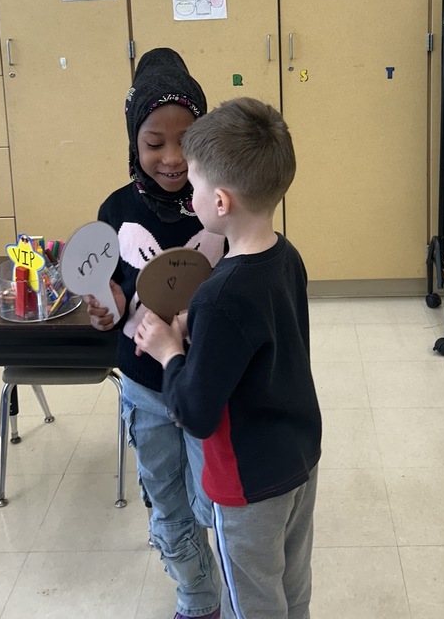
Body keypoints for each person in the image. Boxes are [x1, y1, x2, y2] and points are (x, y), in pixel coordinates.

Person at [134, 97, 322, 619]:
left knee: (254, 603)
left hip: (247, 483)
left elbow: (195, 413)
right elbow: (260, 344)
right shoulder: (285, 256)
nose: (189, 194)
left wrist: (169, 352)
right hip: (298, 459)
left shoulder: (218, 295)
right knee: (292, 588)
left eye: (194, 185)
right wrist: (199, 331)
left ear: (219, 202)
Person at [84, 48, 223, 619]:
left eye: (186, 141)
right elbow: (112, 294)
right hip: (145, 387)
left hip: (209, 383)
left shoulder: (220, 204)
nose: (171, 158)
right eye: (153, 143)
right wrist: (107, 308)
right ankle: (198, 599)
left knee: (213, 501)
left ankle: (228, 577)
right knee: (167, 505)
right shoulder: (116, 210)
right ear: (133, 143)